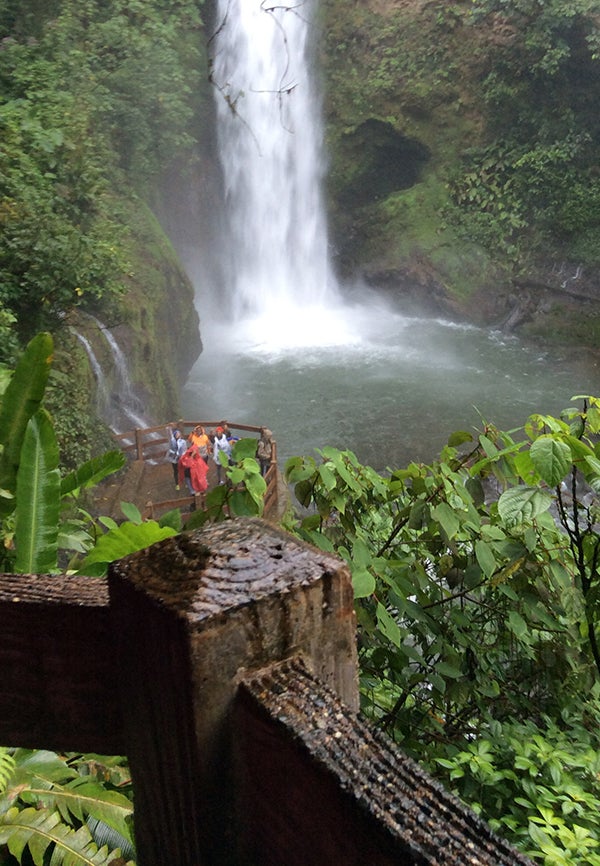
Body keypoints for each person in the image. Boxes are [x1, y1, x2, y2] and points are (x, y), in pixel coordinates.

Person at [166, 425, 187, 490]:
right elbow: (169, 434)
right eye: (176, 434)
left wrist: (184, 457)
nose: (178, 435)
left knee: (183, 470)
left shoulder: (183, 441)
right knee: (175, 471)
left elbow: (185, 450)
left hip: (181, 458)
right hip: (174, 458)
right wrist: (169, 428)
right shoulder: (172, 441)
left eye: (179, 434)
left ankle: (185, 482)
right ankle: (177, 484)